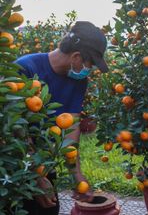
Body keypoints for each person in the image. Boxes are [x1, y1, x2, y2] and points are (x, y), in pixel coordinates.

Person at [16, 21, 109, 215]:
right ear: (76, 57)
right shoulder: (25, 69)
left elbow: (70, 130)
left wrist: (77, 176)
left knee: (49, 209)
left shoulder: (78, 82)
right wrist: (36, 176)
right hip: (14, 164)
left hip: (44, 163)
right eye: (90, 64)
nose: (89, 70)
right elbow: (16, 129)